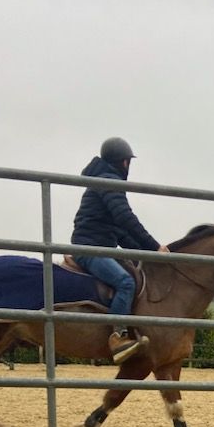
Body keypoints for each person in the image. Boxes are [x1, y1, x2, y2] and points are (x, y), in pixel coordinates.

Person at [71, 137, 169, 364]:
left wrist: (146, 255)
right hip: (89, 248)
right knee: (125, 282)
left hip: (100, 245)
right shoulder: (108, 181)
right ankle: (116, 338)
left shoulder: (102, 180)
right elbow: (125, 218)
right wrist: (155, 246)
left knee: (134, 271)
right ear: (124, 162)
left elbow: (120, 232)